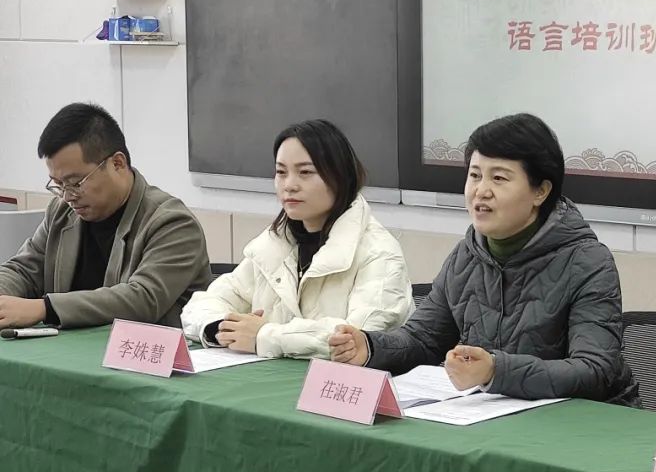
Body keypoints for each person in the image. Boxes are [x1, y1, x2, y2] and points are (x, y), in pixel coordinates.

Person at [326, 113, 638, 404]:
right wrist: (370, 347)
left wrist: (496, 371)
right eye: (475, 176)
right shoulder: (467, 254)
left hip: (583, 423)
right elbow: (424, 339)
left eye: (499, 179)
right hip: (493, 415)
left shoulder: (587, 262)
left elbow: (594, 370)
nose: (481, 191)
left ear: (540, 191)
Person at [181, 119, 412, 359]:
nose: (289, 185)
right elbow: (202, 305)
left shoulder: (379, 251)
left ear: (340, 176)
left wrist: (265, 336)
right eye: (281, 172)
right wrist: (223, 328)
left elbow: (359, 338)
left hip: (337, 381)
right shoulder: (274, 244)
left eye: (305, 172)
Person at [0, 102, 210, 329]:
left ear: (117, 163)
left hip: (142, 350)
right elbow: (23, 271)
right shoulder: (61, 212)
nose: (68, 196)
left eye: (75, 183)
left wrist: (45, 308)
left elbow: (143, 299)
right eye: (59, 185)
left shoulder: (172, 223)